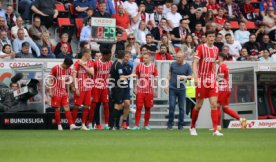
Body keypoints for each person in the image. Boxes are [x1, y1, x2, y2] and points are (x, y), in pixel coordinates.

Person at [190, 30, 223, 136]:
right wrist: (195, 77)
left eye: (213, 36)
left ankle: (215, 130)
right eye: (210, 36)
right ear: (206, 37)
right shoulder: (201, 48)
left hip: (212, 81)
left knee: (214, 104)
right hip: (201, 81)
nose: (212, 38)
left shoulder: (216, 49)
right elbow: (195, 63)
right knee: (198, 105)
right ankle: (192, 127)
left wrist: (217, 74)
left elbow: (215, 62)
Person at [217, 53, 247, 129]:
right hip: (227, 89)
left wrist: (212, 80)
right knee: (225, 108)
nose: (216, 59)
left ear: (220, 58)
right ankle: (241, 119)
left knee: (216, 106)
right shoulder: (226, 66)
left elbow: (220, 78)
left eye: (217, 57)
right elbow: (228, 77)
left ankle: (217, 126)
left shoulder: (221, 66)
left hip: (222, 88)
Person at [48, 57, 79, 130]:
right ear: (64, 64)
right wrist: (50, 91)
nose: (68, 67)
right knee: (57, 109)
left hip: (64, 92)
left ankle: (71, 125)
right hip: (56, 91)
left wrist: (68, 91)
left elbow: (67, 81)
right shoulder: (55, 68)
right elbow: (50, 80)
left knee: (67, 107)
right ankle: (59, 125)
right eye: (68, 66)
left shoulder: (68, 70)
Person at [165, 51, 192, 130]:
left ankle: (181, 125)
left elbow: (191, 76)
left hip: (182, 90)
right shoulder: (173, 64)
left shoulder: (187, 66)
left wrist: (185, 77)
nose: (177, 59)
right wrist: (166, 85)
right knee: (172, 106)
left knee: (181, 108)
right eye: (176, 57)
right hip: (172, 88)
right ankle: (170, 124)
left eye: (179, 57)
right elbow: (169, 74)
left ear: (183, 58)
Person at [109, 51, 136, 130]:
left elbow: (111, 74)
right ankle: (112, 125)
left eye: (128, 57)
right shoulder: (119, 64)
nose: (126, 58)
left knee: (123, 105)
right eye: (126, 56)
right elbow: (121, 77)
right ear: (124, 56)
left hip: (121, 87)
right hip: (118, 87)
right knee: (118, 105)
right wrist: (131, 75)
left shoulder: (118, 64)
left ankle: (117, 124)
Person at [87, 48, 113, 130]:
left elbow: (110, 74)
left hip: (104, 87)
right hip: (96, 87)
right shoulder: (96, 63)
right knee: (94, 105)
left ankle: (106, 124)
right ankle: (90, 124)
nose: (110, 57)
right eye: (109, 56)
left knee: (106, 105)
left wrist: (107, 79)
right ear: (104, 55)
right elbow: (90, 73)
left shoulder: (110, 63)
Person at [132, 52, 158, 130]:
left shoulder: (153, 67)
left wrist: (155, 90)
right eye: (143, 58)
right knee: (139, 107)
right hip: (140, 90)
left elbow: (155, 79)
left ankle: (146, 125)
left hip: (149, 91)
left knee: (148, 108)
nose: (144, 59)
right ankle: (136, 125)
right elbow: (135, 77)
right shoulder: (139, 66)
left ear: (149, 58)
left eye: (146, 58)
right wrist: (134, 87)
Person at [71, 49, 94, 131]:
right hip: (80, 88)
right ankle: (72, 124)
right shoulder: (77, 62)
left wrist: (83, 66)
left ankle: (83, 124)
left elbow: (92, 73)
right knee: (76, 106)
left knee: (87, 106)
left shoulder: (90, 62)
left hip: (88, 88)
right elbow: (74, 76)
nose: (90, 56)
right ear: (85, 54)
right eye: (89, 54)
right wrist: (76, 88)